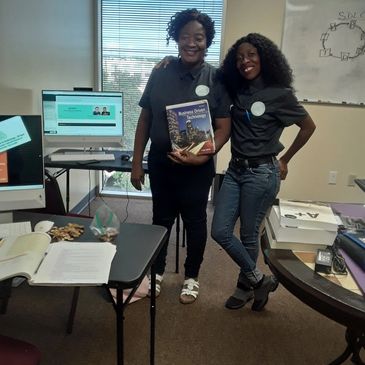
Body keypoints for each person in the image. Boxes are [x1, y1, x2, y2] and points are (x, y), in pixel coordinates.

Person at [130, 8, 231, 304]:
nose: (191, 43)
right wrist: (137, 163)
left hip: (197, 169)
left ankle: (191, 277)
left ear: (207, 41)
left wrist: (205, 156)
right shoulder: (160, 71)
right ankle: (157, 273)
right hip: (162, 163)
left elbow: (224, 127)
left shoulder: (217, 78)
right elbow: (145, 119)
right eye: (185, 36)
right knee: (160, 220)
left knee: (195, 221)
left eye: (198, 37)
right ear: (176, 39)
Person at [211, 33, 316, 311]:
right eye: (240, 57)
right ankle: (260, 280)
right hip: (234, 171)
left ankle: (245, 288)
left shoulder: (280, 94)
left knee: (247, 234)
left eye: (251, 55)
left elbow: (309, 127)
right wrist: (169, 61)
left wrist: (286, 159)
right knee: (220, 231)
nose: (245, 61)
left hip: (261, 173)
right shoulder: (236, 89)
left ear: (264, 58)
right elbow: (206, 74)